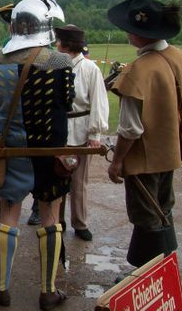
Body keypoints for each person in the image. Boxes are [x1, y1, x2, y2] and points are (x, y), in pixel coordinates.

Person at [0, 0, 74, 309]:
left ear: (14, 27)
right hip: (49, 152)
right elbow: (67, 103)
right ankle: (48, 291)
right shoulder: (60, 62)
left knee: (8, 215)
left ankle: (0, 287)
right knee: (50, 216)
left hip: (10, 151)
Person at [106, 0, 182, 268]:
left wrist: (117, 161)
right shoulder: (180, 57)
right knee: (163, 211)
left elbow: (130, 129)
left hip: (143, 160)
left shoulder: (137, 71)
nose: (127, 33)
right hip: (170, 153)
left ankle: (149, 280)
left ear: (139, 33)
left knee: (146, 219)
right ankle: (165, 270)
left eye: (130, 29)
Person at [55, 25, 109, 241]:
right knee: (57, 176)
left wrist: (95, 134)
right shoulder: (55, 66)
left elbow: (98, 101)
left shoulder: (90, 69)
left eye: (59, 41)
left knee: (78, 182)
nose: (56, 44)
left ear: (67, 45)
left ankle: (80, 223)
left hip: (81, 130)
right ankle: (57, 220)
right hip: (59, 131)